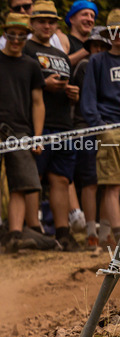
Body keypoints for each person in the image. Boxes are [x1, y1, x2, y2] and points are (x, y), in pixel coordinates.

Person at [0, 13, 47, 252]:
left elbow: (38, 103)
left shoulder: (31, 65)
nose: (15, 40)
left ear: (27, 37)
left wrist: (37, 136)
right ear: (4, 34)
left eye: (21, 36)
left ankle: (15, 236)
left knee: (21, 185)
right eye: (11, 35)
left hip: (21, 131)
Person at [26, 0, 82, 250]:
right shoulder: (25, 49)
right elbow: (18, 84)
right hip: (36, 124)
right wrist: (43, 83)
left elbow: (66, 86)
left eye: (51, 22)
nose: (47, 26)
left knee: (61, 179)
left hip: (63, 123)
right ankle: (33, 231)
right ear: (32, 23)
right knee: (33, 178)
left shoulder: (61, 56)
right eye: (42, 21)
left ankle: (63, 232)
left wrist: (73, 94)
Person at [80, 9, 120, 249]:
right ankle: (117, 236)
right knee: (112, 184)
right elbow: (88, 99)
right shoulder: (97, 61)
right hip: (110, 128)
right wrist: (100, 127)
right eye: (114, 31)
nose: (118, 36)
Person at [73, 25, 111, 250]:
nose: (98, 49)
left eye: (103, 45)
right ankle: (90, 233)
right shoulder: (84, 65)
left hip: (109, 127)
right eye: (95, 45)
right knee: (91, 180)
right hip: (85, 127)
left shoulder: (112, 66)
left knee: (109, 182)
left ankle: (105, 233)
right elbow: (83, 99)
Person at [65, 0, 98, 67]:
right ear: (72, 19)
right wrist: (86, 50)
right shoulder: (64, 39)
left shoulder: (97, 45)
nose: (89, 19)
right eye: (85, 14)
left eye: (92, 16)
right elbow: (59, 64)